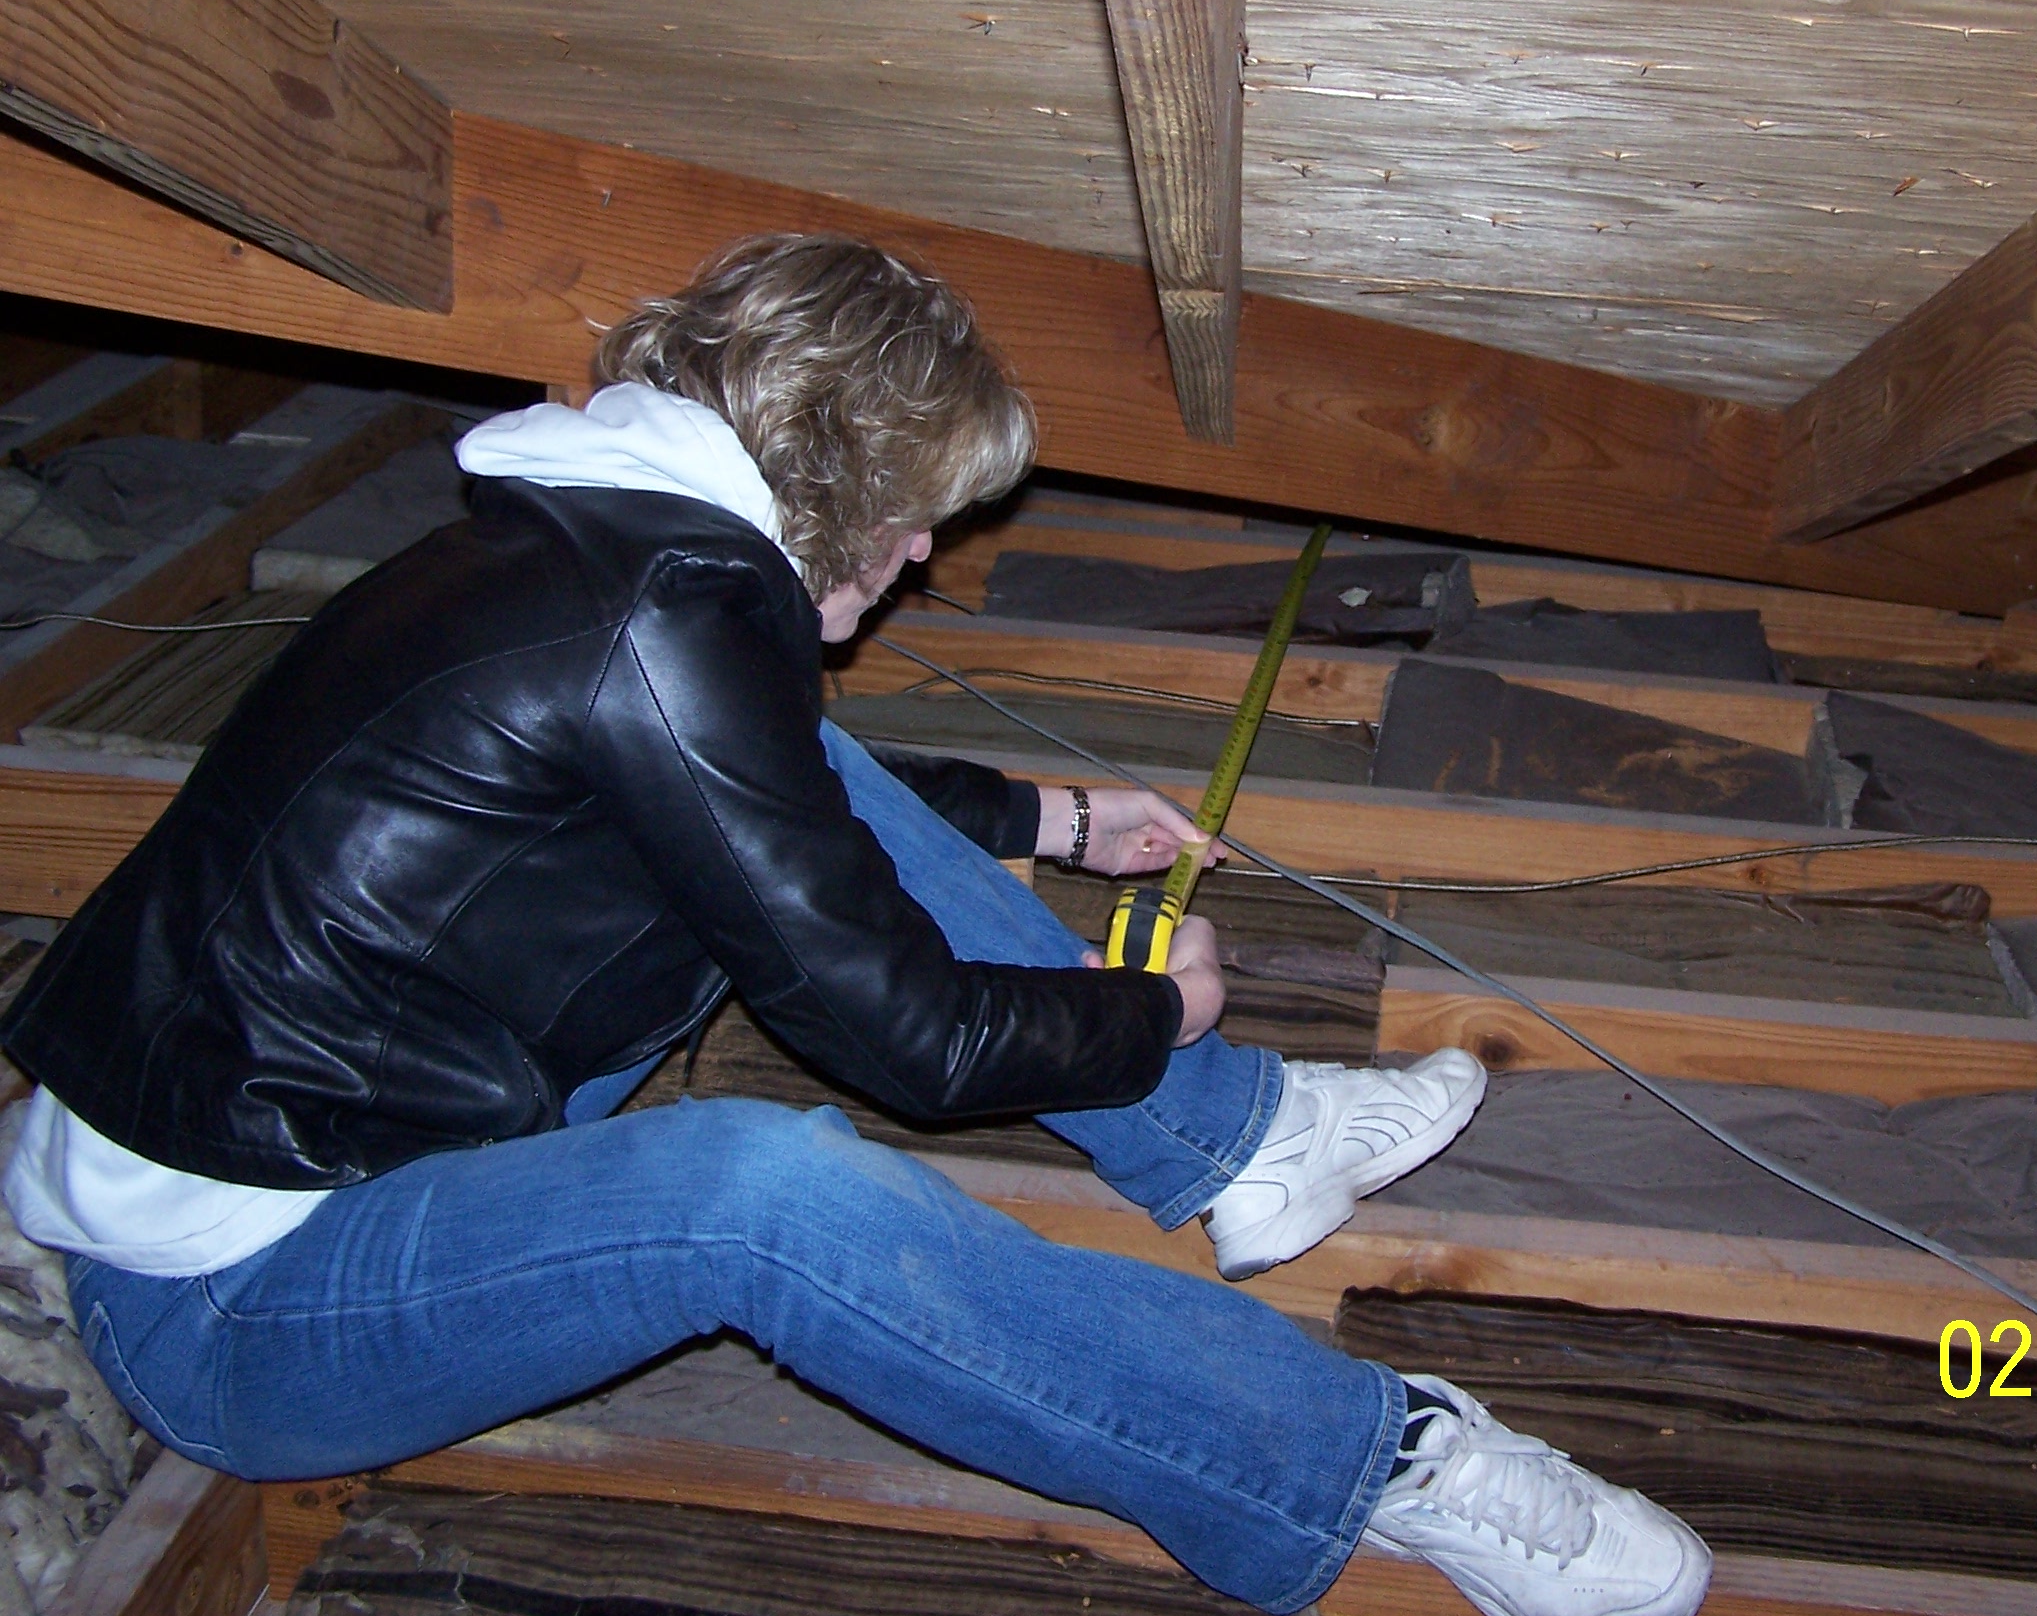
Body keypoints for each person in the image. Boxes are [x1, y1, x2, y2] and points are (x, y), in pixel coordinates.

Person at [0, 235, 1711, 1616]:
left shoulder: (581, 540)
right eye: (915, 516)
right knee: (756, 1199)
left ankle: (1245, 1145)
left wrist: (1048, 818)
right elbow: (911, 1042)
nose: (919, 555)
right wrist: (1154, 1013)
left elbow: (759, 780)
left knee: (807, 761)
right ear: (832, 483)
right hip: (237, 1302)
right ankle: (1361, 1461)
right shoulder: (656, 623)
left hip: (382, 1113)